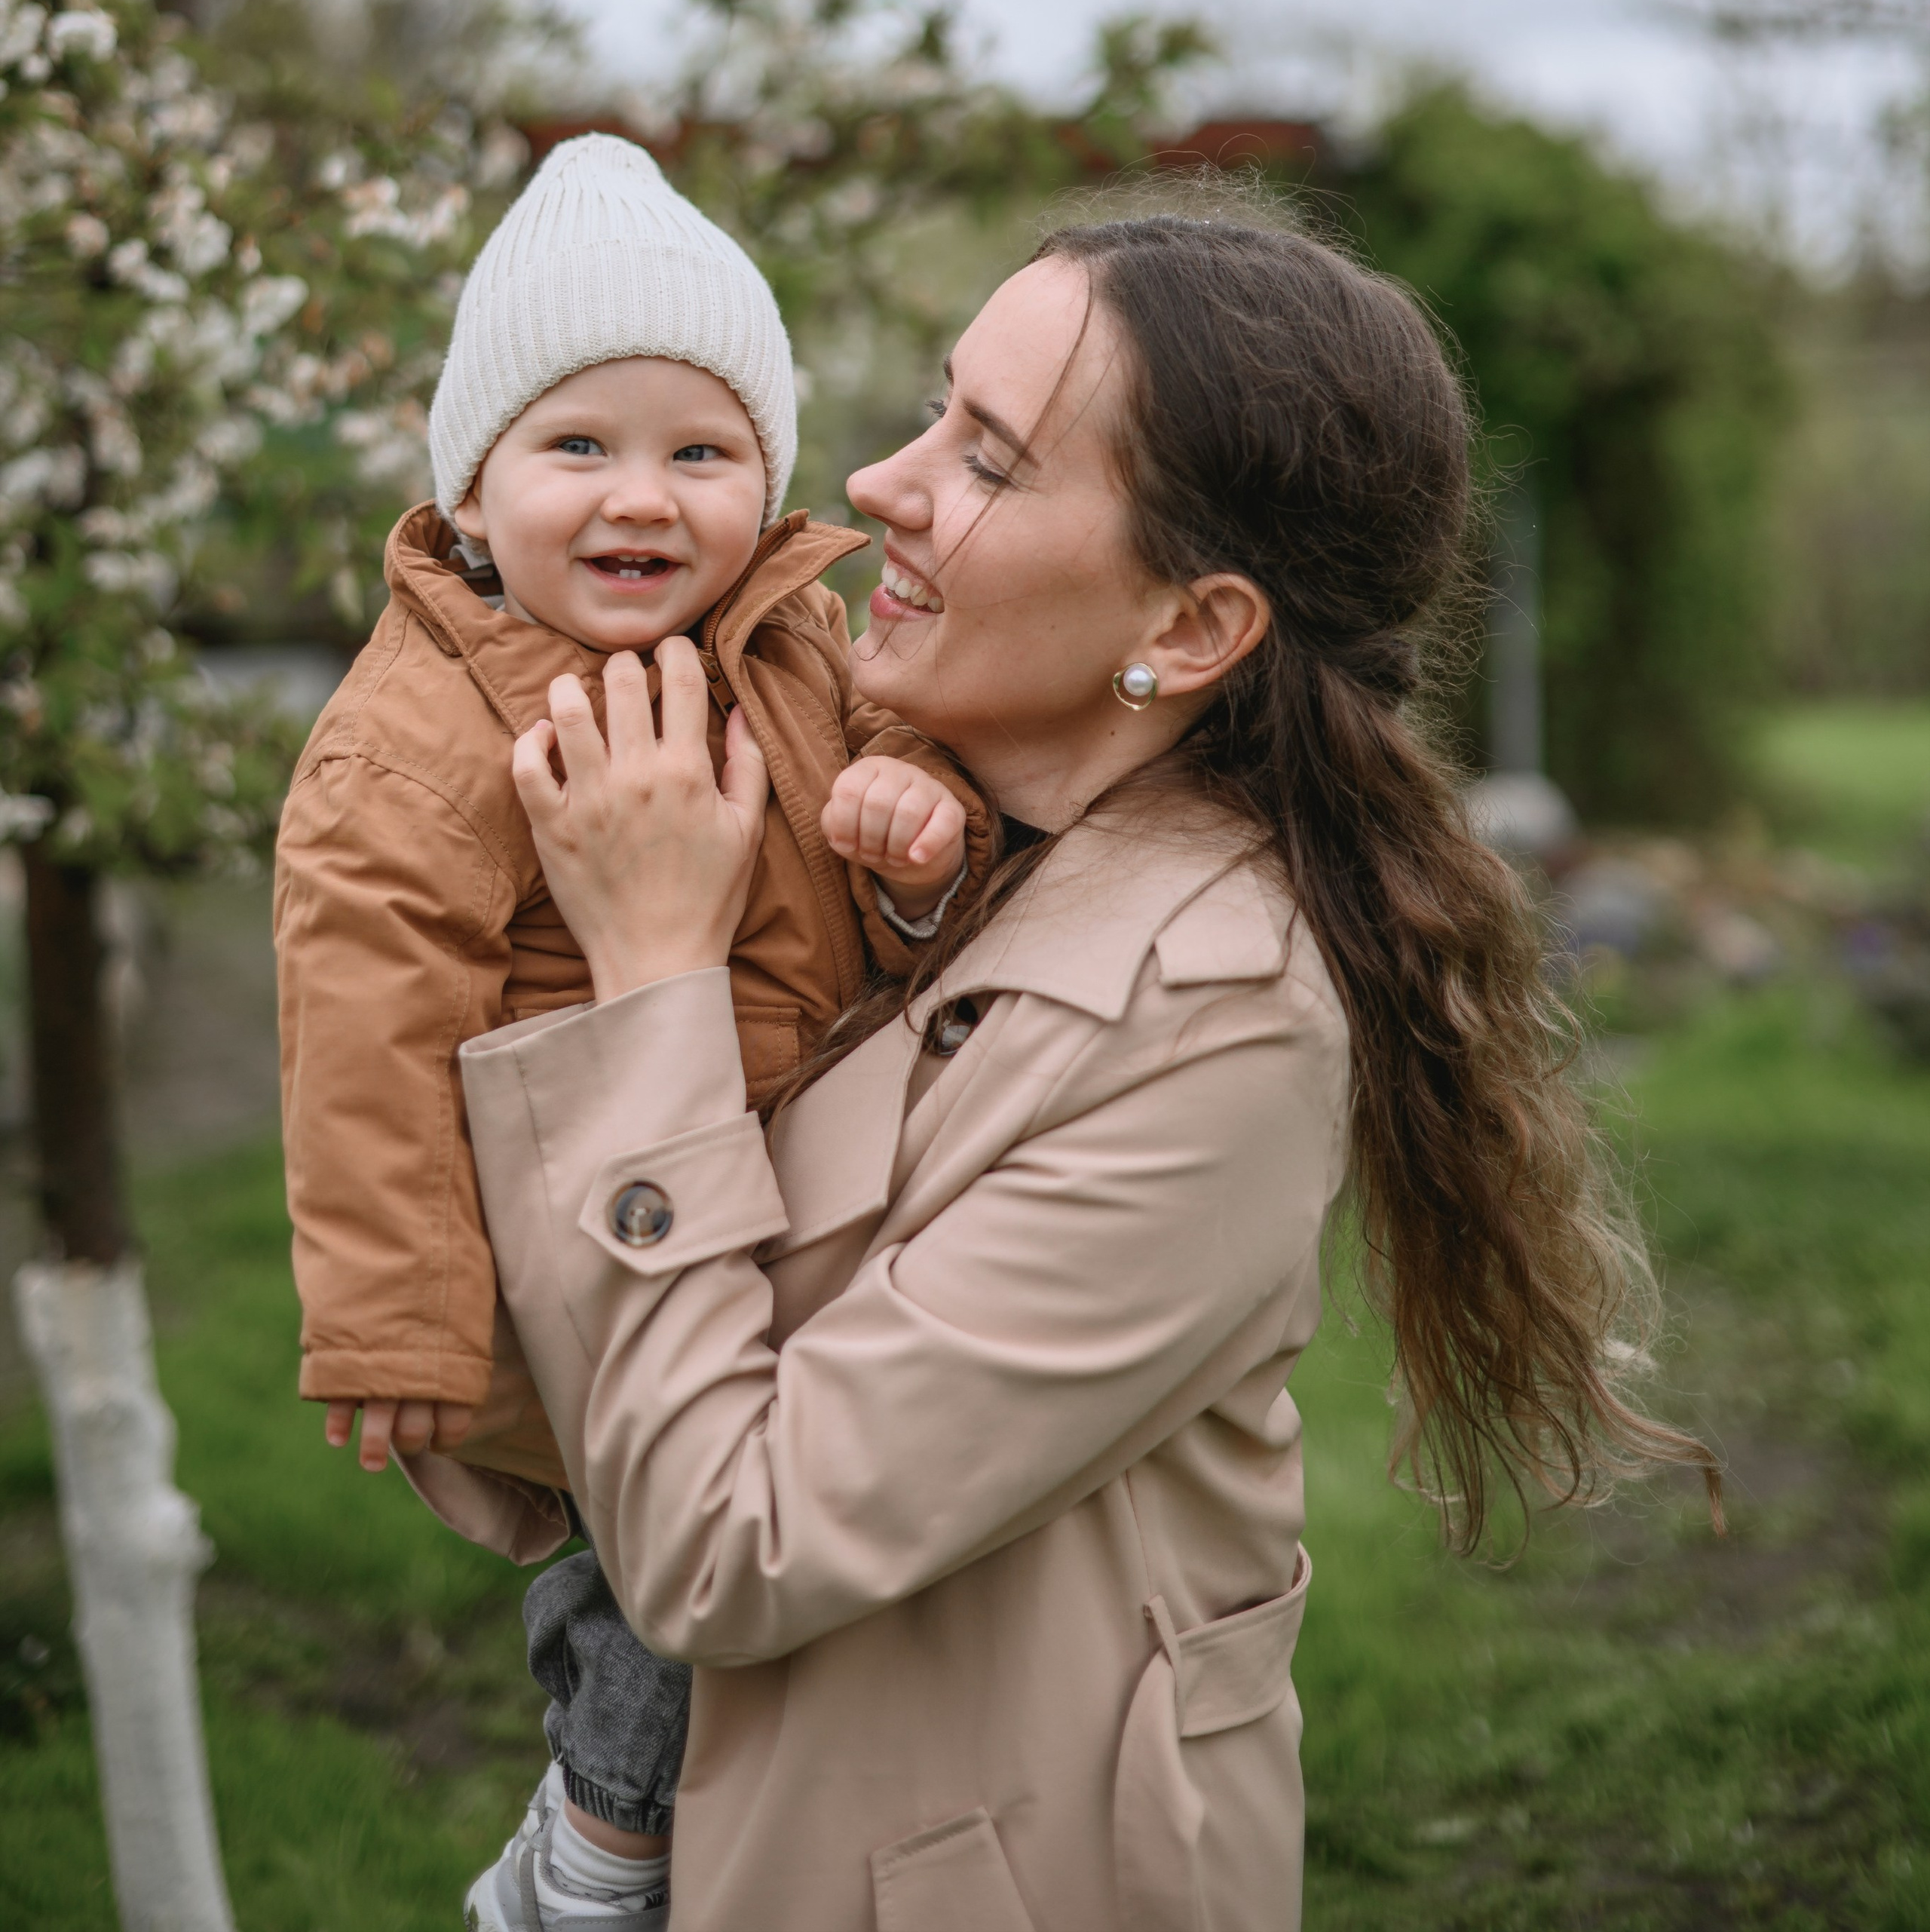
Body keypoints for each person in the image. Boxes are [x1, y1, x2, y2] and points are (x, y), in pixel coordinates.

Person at [456, 203, 1714, 1932]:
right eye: (930, 407)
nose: (880, 484)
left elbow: (723, 1539)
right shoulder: (937, 835)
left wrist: (654, 976)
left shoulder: (1213, 1018)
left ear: (1189, 631)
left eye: (984, 459)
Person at [274, 133, 990, 1929]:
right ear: (473, 481)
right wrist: (387, 1311)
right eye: (576, 446)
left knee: (753, 1535)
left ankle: (678, 1823)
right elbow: (359, 1028)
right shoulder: (422, 732)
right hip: (582, 1229)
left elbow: (887, 811)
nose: (642, 498)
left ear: (765, 468)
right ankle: (597, 1838)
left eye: (702, 450)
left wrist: (913, 832)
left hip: (778, 1197)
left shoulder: (799, 641)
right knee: (655, 1543)